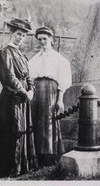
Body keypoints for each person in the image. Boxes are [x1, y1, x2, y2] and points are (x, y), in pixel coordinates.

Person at [0, 18, 37, 177]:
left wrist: (31, 90)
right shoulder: (5, 52)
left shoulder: (23, 55)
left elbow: (29, 77)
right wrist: (24, 92)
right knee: (12, 131)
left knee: (22, 130)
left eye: (23, 36)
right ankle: (9, 167)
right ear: (12, 34)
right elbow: (8, 77)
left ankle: (22, 165)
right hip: (11, 99)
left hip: (24, 99)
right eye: (18, 34)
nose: (20, 38)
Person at [29, 26, 72, 166]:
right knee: (35, 120)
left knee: (48, 121)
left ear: (51, 40)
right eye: (39, 39)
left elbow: (63, 80)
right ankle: (36, 156)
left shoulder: (59, 59)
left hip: (51, 90)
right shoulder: (34, 59)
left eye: (45, 39)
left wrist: (60, 99)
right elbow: (30, 78)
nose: (42, 42)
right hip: (36, 90)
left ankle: (48, 157)